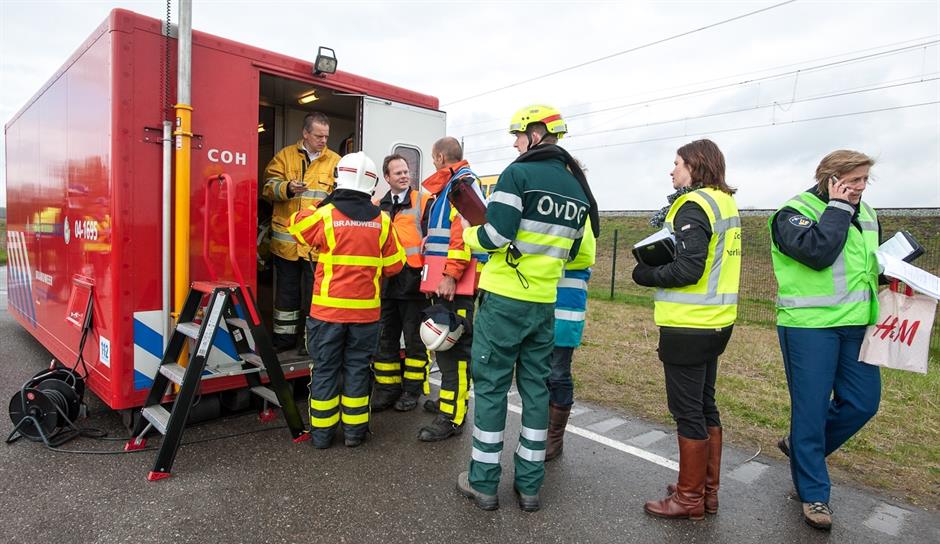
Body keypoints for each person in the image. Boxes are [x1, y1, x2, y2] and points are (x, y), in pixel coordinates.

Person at [456, 105, 599, 512]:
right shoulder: (577, 189)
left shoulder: (516, 174)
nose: (516, 143)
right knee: (536, 389)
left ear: (536, 133)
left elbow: (497, 234)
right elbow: (574, 252)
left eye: (518, 135)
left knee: (492, 387)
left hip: (503, 300)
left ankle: (483, 483)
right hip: (544, 303)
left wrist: (469, 235)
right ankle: (530, 486)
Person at [769, 150, 881, 531]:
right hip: (810, 326)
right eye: (854, 180)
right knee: (811, 411)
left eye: (866, 180)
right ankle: (815, 493)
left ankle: (801, 450)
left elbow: (863, 265)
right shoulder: (792, 213)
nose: (861, 188)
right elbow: (818, 253)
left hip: (857, 324)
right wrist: (837, 206)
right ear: (830, 179)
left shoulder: (866, 213)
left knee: (864, 402)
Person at [632, 139, 741, 520]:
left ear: (695, 166)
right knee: (704, 405)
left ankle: (690, 498)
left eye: (677, 163)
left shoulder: (692, 205)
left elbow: (689, 268)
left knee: (687, 412)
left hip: (689, 326)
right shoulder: (724, 202)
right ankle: (706, 492)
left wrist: (645, 274)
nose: (672, 170)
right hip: (716, 322)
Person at [287, 152, 405, 448]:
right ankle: (354, 434)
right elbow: (395, 265)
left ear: (340, 179)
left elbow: (295, 225)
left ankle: (323, 436)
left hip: (327, 314)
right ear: (373, 183)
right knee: (357, 370)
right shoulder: (383, 220)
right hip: (366, 315)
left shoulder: (326, 216)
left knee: (325, 370)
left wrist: (324, 201)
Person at [416, 137, 488, 442]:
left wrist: (450, 274)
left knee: (454, 352)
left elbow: (462, 234)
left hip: (454, 285)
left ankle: (452, 417)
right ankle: (449, 402)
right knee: (444, 348)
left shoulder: (461, 184)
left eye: (433, 158)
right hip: (446, 283)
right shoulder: (453, 185)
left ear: (439, 155)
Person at [263, 112, 340, 353]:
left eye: (326, 136)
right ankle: (284, 341)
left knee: (314, 298)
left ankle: (310, 343)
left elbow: (341, 197)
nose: (323, 140)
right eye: (318, 135)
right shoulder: (284, 157)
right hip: (286, 246)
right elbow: (267, 187)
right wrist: (286, 187)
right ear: (305, 134)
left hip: (316, 246)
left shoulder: (336, 161)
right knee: (286, 297)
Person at [371, 154, 432, 413]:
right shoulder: (376, 205)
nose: (404, 176)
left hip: (412, 284)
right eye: (398, 173)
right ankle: (387, 390)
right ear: (387, 178)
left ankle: (411, 391)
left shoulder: (422, 201)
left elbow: (432, 240)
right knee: (386, 340)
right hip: (385, 283)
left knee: (414, 340)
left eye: (406, 171)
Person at [545, 218, 595, 461]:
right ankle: (540, 431)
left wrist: (545, 251)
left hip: (566, 305)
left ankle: (554, 438)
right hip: (543, 301)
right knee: (540, 372)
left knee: (558, 372)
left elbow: (585, 255)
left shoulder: (580, 213)